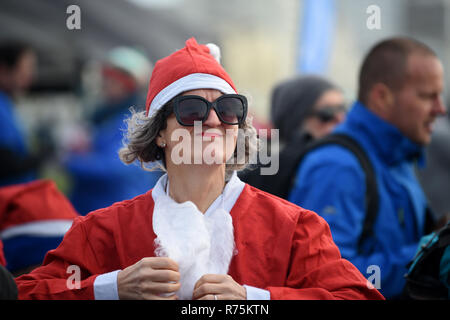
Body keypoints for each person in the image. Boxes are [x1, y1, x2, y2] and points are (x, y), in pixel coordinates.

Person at [15, 38, 383, 300]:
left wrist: (253, 301)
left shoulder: (295, 227)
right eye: (191, 110)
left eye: (228, 109)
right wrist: (113, 289)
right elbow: (24, 293)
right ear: (159, 133)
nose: (213, 121)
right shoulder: (101, 231)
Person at [288, 37, 447, 299]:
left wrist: (435, 239)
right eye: (427, 96)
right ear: (382, 96)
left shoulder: (399, 153)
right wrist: (431, 254)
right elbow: (324, 280)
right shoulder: (337, 166)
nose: (440, 109)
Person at [63, 47, 162, 214]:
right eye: (105, 78)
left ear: (128, 85)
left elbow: (118, 166)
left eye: (111, 80)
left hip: (119, 214)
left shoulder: (137, 122)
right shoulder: (103, 117)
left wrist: (68, 160)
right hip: (93, 210)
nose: (104, 84)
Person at [239, 75, 346, 198]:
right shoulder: (258, 169)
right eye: (327, 115)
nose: (341, 121)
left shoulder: (342, 158)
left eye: (343, 110)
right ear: (296, 118)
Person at [0, 40, 41, 187]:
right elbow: (6, 164)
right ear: (4, 70)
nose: (30, 76)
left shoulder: (7, 103)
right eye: (25, 68)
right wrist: (41, 156)